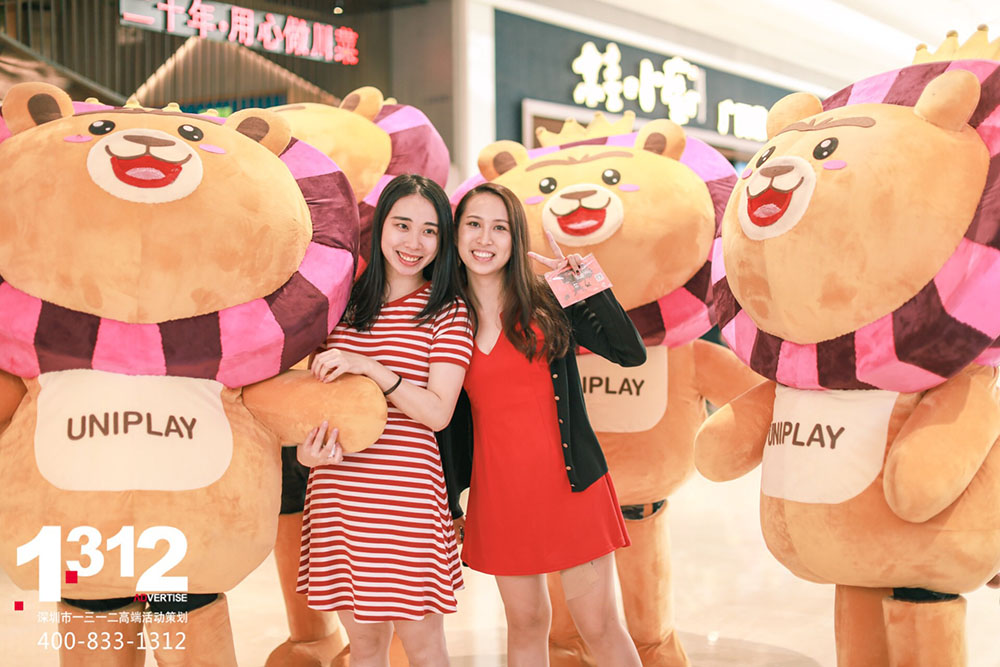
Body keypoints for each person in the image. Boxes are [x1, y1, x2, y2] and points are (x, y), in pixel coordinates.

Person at [440, 181, 645, 666]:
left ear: (516, 239)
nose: (485, 239)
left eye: (500, 228)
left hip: (572, 490)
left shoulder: (549, 299)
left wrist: (584, 281)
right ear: (455, 234)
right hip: (499, 498)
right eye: (473, 225)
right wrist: (450, 501)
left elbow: (629, 352)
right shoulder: (445, 319)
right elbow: (442, 421)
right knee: (527, 625)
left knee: (599, 625)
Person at [296, 173, 472, 667]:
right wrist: (305, 451)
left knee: (425, 648)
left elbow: (438, 412)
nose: (414, 243)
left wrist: (372, 367)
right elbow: (309, 398)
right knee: (366, 647)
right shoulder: (342, 305)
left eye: (429, 231)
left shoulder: (447, 312)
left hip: (406, 502)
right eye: (402, 225)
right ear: (379, 228)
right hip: (338, 495)